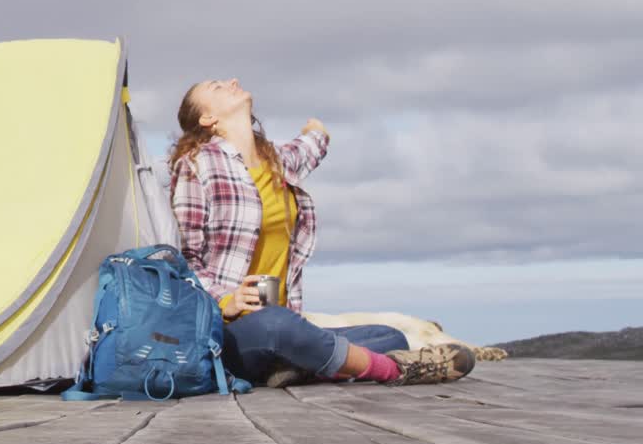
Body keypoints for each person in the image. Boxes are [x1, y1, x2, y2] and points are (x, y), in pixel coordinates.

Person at [169, 78, 475, 387]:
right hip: (228, 336)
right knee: (278, 324)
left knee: (389, 334)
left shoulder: (276, 162)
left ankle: (298, 365)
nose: (231, 81)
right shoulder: (196, 166)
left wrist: (316, 129)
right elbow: (185, 260)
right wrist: (228, 301)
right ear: (208, 119)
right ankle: (394, 371)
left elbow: (311, 147)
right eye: (217, 87)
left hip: (286, 324)